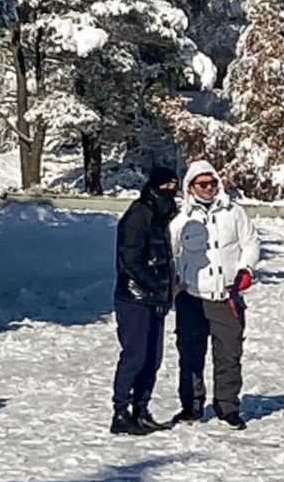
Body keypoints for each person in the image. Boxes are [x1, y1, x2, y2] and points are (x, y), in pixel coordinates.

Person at [170, 160, 260, 428]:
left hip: (226, 297)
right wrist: (175, 283)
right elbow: (173, 253)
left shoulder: (234, 212)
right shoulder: (182, 219)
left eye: (212, 183)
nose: (208, 188)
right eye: (202, 184)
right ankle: (192, 406)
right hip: (192, 298)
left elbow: (251, 242)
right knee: (190, 355)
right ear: (191, 187)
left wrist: (246, 269)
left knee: (229, 355)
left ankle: (227, 407)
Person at [110, 162, 180, 436]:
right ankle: (121, 411)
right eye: (165, 186)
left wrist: (165, 290)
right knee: (135, 355)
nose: (169, 191)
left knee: (153, 357)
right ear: (152, 187)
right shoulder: (139, 215)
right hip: (134, 297)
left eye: (173, 186)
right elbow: (130, 261)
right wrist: (152, 287)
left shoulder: (164, 215)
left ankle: (141, 408)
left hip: (156, 297)